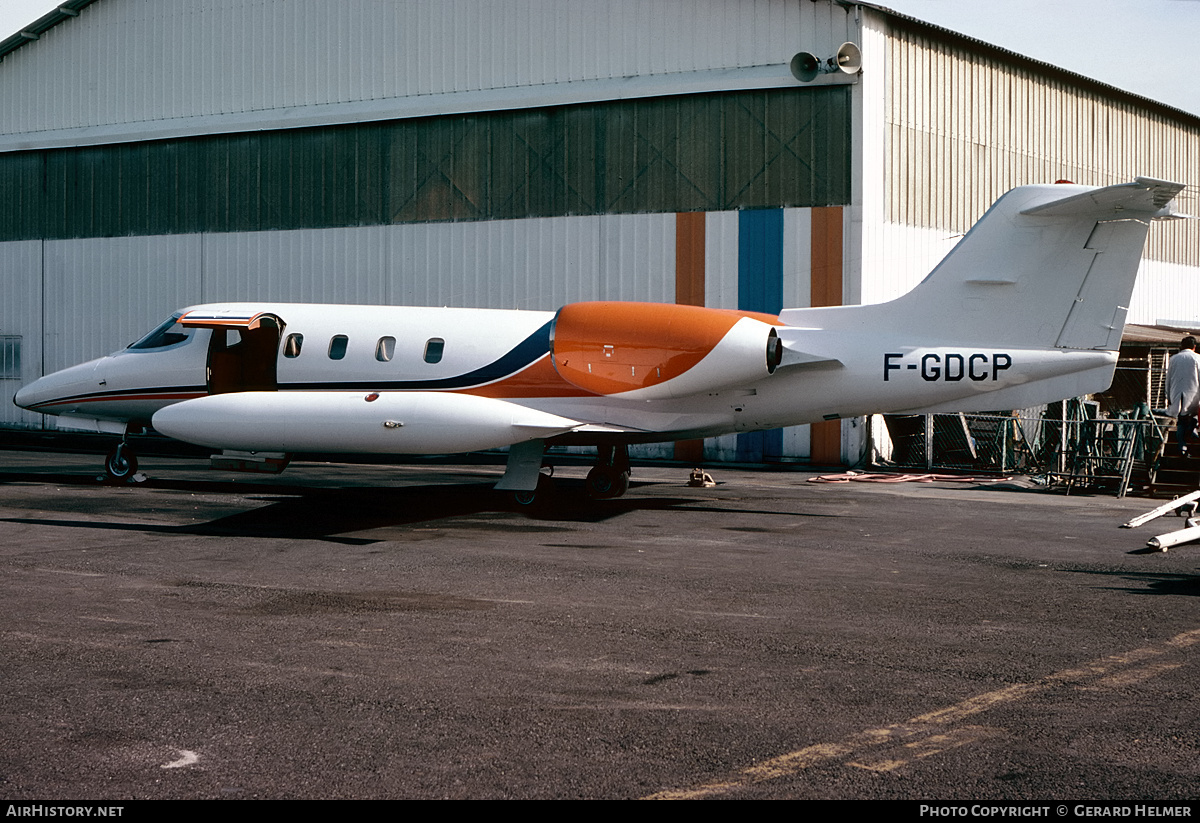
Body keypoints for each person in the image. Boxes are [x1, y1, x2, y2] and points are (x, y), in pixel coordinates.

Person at [1165, 336, 1200, 454]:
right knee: (1193, 418)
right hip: (1194, 394)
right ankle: (1190, 436)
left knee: (1181, 420)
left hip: (1177, 393)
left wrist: (1168, 395)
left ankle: (1182, 446)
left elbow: (1168, 379)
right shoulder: (1197, 358)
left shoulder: (1173, 359)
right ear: (1194, 347)